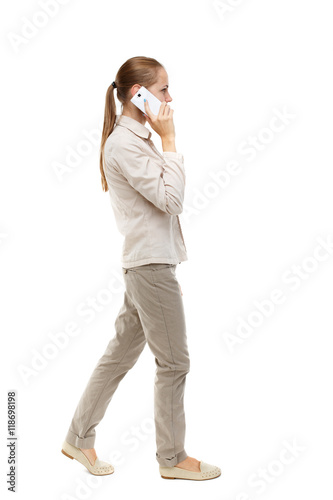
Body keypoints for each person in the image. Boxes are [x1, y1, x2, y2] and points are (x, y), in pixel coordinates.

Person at [61, 56, 221, 481]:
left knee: (119, 356)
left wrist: (165, 273)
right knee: (174, 363)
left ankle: (78, 438)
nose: (170, 97)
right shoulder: (126, 143)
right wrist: (170, 140)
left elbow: (158, 211)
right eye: (164, 89)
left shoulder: (132, 138)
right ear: (140, 94)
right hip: (149, 268)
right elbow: (171, 201)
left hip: (150, 267)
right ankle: (172, 459)